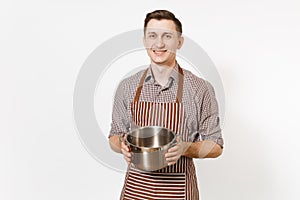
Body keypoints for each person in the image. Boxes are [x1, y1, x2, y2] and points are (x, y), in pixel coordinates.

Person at [108, 10, 224, 200]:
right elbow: (114, 135)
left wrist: (185, 148)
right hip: (136, 188)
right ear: (144, 41)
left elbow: (216, 145)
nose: (159, 43)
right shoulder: (127, 86)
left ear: (179, 42)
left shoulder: (199, 89)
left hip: (178, 190)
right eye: (152, 36)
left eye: (167, 36)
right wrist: (121, 145)